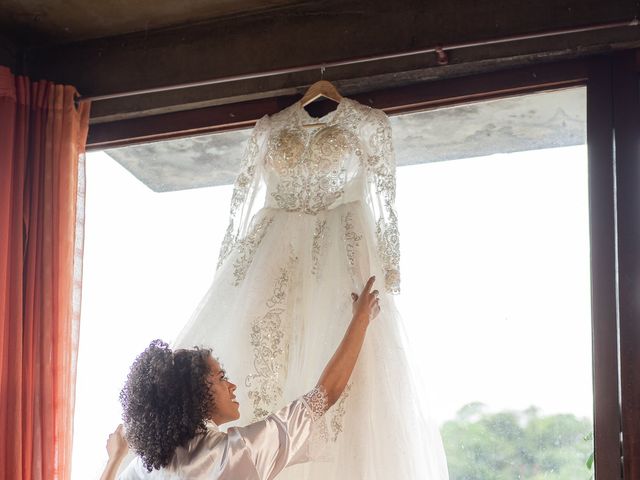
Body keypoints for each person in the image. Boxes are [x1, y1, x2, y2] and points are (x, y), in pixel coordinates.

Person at [100, 277, 380, 480]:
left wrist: (115, 459)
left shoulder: (149, 467)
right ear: (196, 395)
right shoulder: (236, 453)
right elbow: (323, 396)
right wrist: (362, 318)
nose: (232, 385)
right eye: (221, 377)